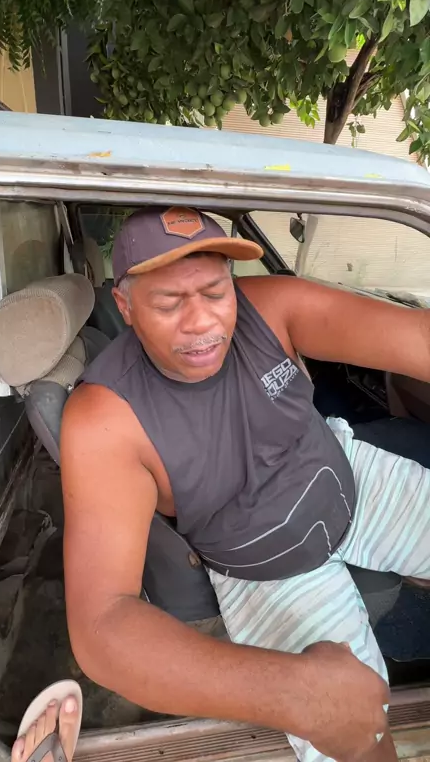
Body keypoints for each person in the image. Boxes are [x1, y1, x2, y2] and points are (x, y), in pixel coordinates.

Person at [60, 206, 430, 762]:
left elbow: (417, 339)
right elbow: (103, 623)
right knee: (358, 741)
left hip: (351, 483)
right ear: (125, 306)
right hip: (265, 571)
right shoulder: (104, 418)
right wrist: (292, 693)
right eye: (169, 303)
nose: (202, 321)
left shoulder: (270, 309)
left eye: (215, 292)